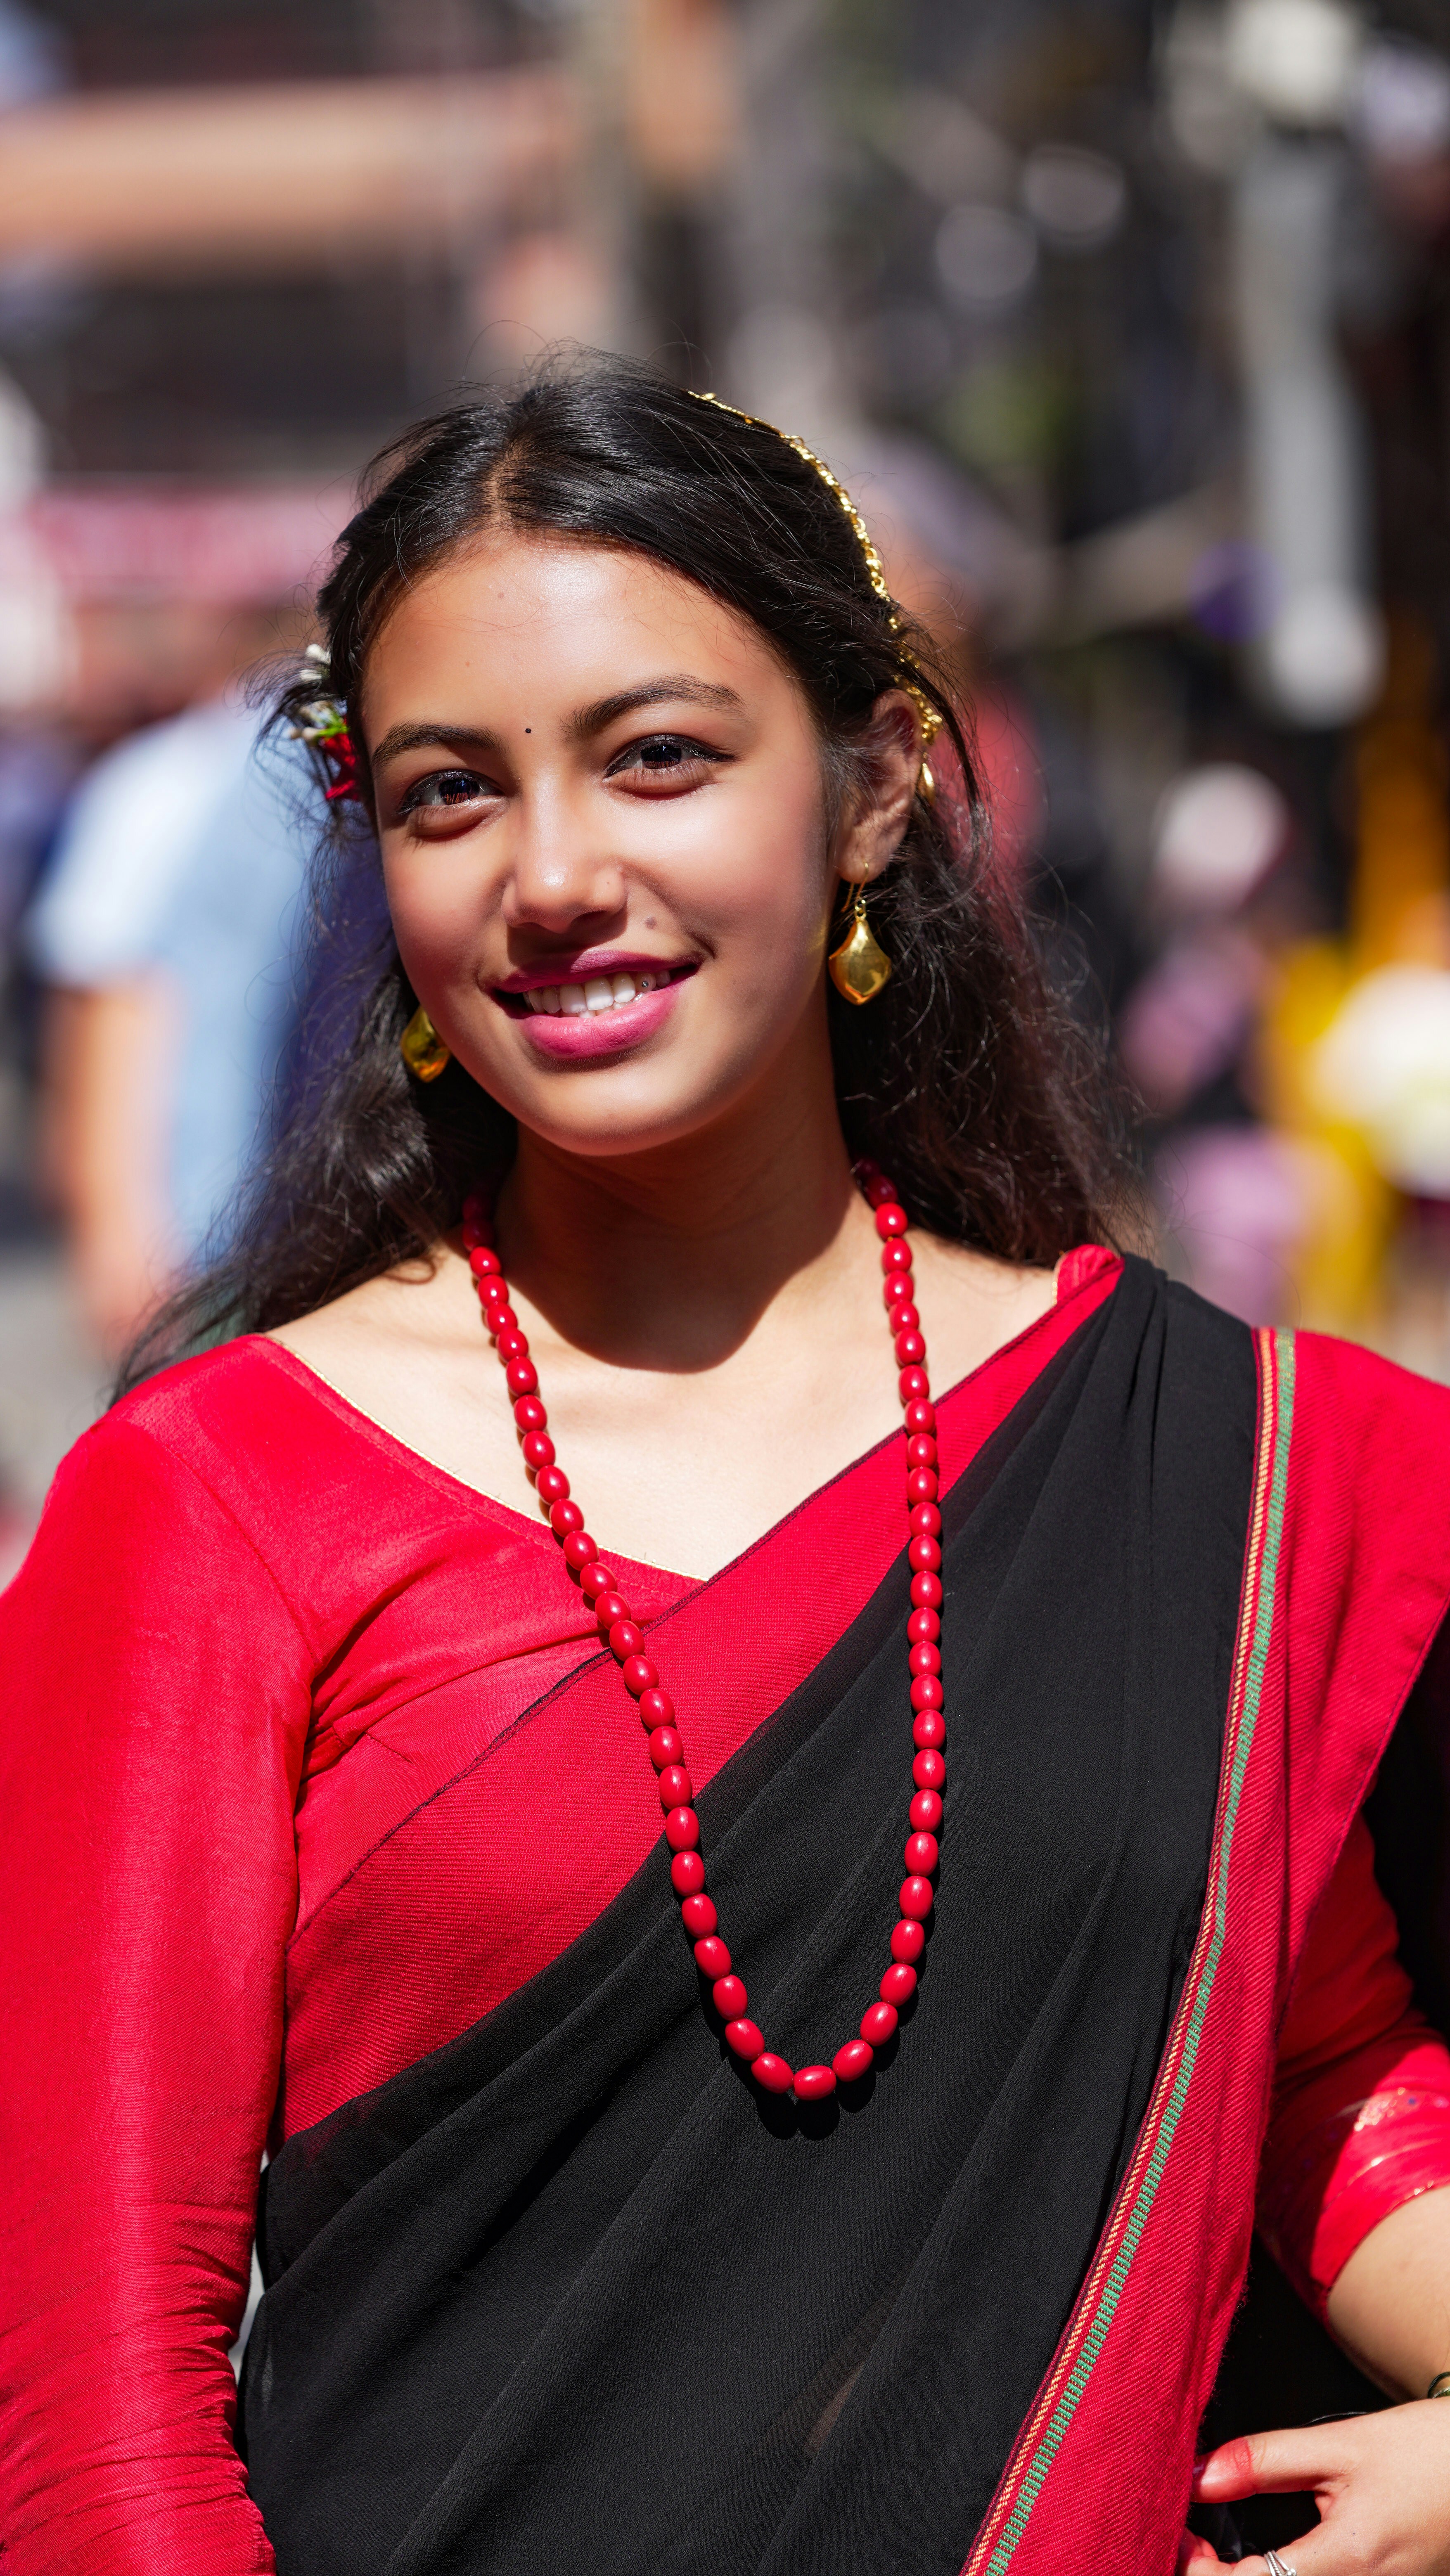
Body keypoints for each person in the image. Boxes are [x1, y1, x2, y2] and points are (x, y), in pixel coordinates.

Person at [3, 361, 1450, 2576]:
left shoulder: (1244, 1472)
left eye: (657, 757)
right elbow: (97, 2431)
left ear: (874, 788)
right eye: (445, 795)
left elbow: (1326, 2072)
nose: (556, 877)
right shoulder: (211, 1502)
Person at [24, 646, 314, 1355]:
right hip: (207, 1232)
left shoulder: (179, 774)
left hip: (242, 1222)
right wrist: (114, 1224)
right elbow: (107, 992)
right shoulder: (171, 781)